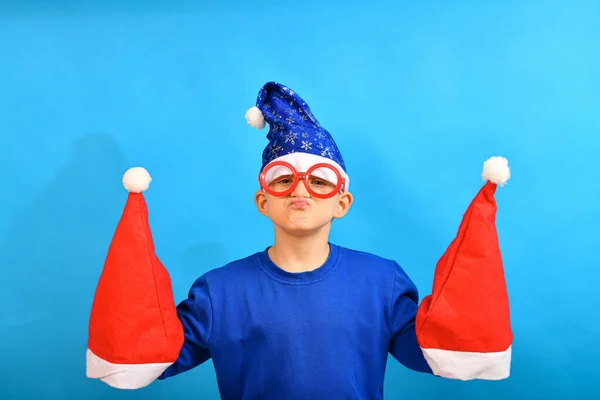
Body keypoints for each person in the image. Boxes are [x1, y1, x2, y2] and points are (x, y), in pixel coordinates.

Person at [86, 82, 514, 399]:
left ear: (341, 202)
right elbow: (153, 353)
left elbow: (430, 349)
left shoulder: (381, 282)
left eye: (320, 181)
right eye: (284, 179)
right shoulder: (219, 292)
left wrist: (468, 316)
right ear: (263, 200)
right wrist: (132, 280)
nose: (300, 190)